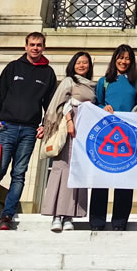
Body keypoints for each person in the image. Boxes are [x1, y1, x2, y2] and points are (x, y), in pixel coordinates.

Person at [0, 31, 57, 231]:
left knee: (19, 174)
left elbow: (50, 104)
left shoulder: (48, 73)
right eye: (32, 44)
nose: (35, 48)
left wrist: (45, 125)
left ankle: (6, 216)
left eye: (39, 45)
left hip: (29, 130)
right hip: (6, 127)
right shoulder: (13, 67)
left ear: (43, 47)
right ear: (26, 46)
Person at [40, 50, 96, 232]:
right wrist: (70, 122)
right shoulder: (68, 81)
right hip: (68, 127)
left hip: (84, 130)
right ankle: (57, 215)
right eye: (78, 62)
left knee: (77, 170)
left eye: (85, 62)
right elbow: (61, 104)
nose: (82, 65)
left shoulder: (92, 86)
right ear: (73, 64)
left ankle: (70, 216)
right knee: (62, 167)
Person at [91, 44, 137, 231]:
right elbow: (96, 104)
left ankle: (120, 222)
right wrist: (103, 108)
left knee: (125, 180)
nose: (124, 61)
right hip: (105, 136)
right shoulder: (104, 82)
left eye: (127, 58)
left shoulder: (136, 82)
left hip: (127, 138)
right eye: (120, 58)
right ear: (115, 60)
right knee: (101, 179)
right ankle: (97, 222)